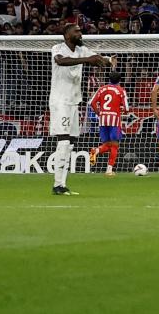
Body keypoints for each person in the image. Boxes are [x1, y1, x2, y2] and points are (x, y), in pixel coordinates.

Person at [50, 23, 114, 196]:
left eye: (80, 31)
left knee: (70, 144)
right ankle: (57, 184)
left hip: (74, 102)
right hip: (60, 101)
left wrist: (108, 61)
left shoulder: (82, 50)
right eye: (76, 31)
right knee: (63, 142)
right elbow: (61, 61)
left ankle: (62, 185)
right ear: (67, 35)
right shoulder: (58, 48)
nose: (80, 34)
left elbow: (97, 58)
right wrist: (88, 60)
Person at [88, 73, 130, 175]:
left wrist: (99, 112)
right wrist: (122, 111)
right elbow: (127, 109)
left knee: (107, 144)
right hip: (114, 120)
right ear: (120, 80)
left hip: (103, 119)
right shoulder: (121, 90)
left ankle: (96, 151)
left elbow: (92, 103)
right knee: (114, 145)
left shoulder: (102, 89)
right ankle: (109, 170)